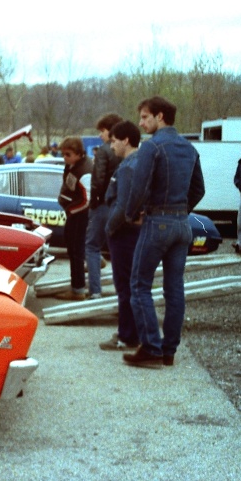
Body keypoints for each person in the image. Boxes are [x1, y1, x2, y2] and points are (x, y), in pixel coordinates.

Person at [124, 96, 205, 368]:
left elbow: (139, 187)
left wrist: (130, 214)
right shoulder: (190, 149)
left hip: (157, 222)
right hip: (182, 225)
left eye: (145, 117)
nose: (141, 122)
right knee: (174, 289)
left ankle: (151, 348)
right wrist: (180, 211)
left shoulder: (152, 147)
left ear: (160, 117)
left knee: (139, 284)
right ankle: (168, 351)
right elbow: (199, 190)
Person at [99, 120, 142, 351]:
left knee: (124, 286)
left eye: (114, 141)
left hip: (124, 235)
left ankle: (127, 336)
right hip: (133, 232)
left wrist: (109, 228)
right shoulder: (139, 162)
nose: (111, 146)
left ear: (126, 140)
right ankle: (131, 332)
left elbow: (123, 205)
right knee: (132, 285)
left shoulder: (127, 167)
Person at [86, 113, 123, 299]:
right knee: (116, 249)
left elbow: (98, 181)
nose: (100, 135)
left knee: (92, 246)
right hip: (120, 205)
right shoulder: (126, 151)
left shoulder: (103, 151)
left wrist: (93, 203)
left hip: (102, 205)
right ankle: (120, 291)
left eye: (102, 131)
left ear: (111, 130)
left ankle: (95, 291)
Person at [55, 137, 93, 301]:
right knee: (72, 249)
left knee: (76, 251)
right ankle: (77, 286)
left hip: (79, 215)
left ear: (78, 154)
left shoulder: (84, 171)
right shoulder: (74, 165)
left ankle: (78, 290)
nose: (65, 158)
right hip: (75, 213)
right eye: (63, 154)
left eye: (68, 154)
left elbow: (87, 200)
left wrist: (71, 211)